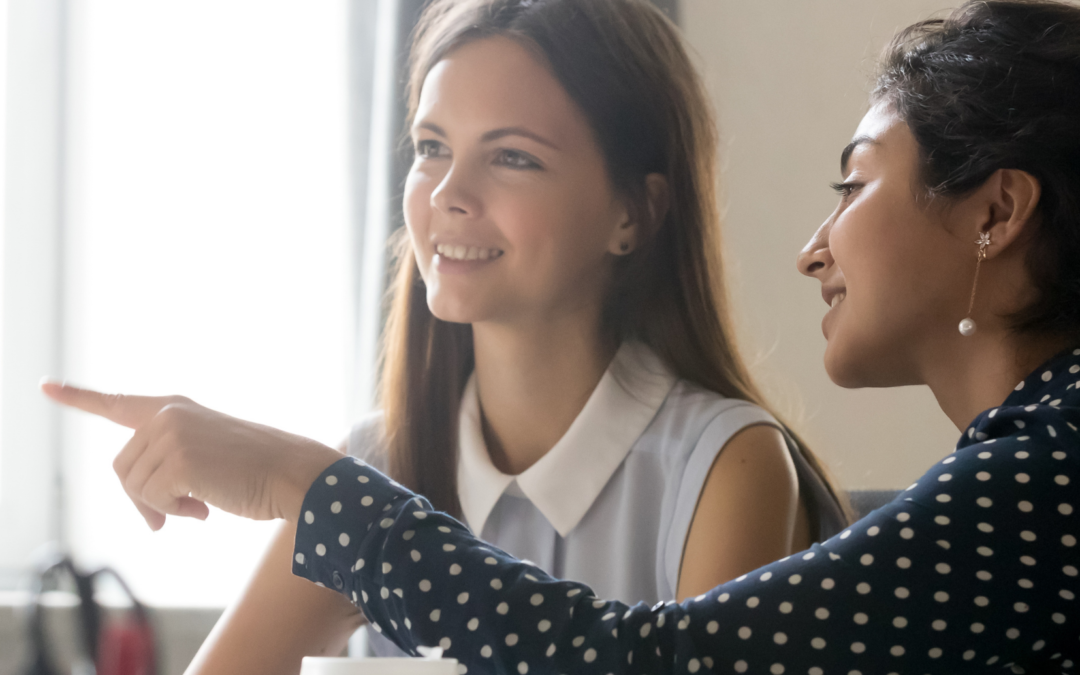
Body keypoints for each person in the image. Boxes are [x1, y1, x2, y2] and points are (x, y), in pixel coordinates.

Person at [42, 0, 1080, 671]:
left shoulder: (1036, 479)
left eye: (853, 186)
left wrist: (311, 491)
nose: (814, 247)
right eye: (429, 148)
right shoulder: (1024, 472)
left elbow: (651, 667)